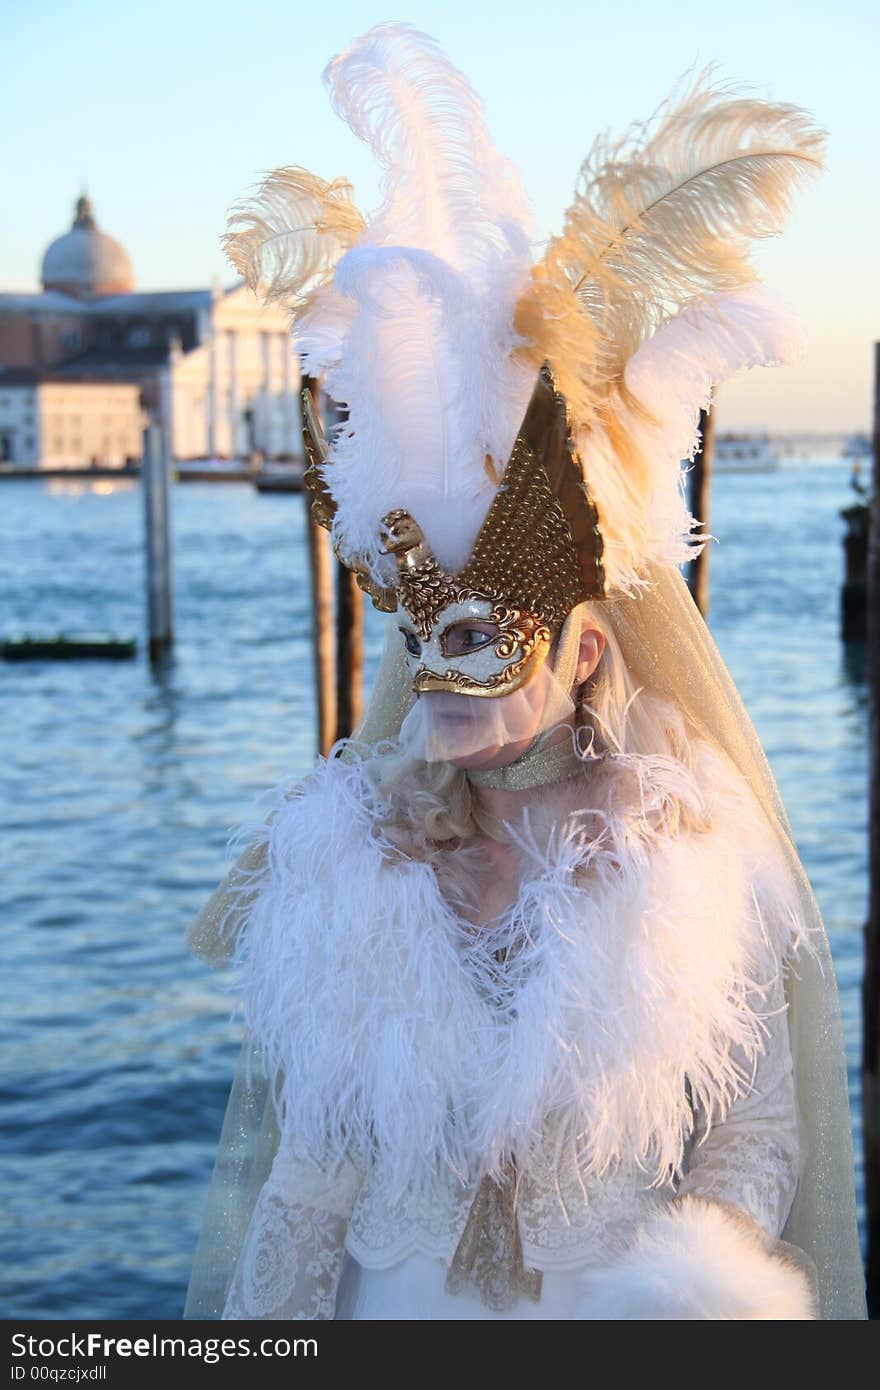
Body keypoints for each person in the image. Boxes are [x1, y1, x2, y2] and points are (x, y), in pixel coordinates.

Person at [183, 23, 866, 1320]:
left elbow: (752, 1140)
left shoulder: (691, 856)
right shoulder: (353, 859)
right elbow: (310, 1178)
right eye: (422, 635)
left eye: (490, 636)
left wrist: (690, 1297)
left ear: (587, 647)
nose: (443, 675)